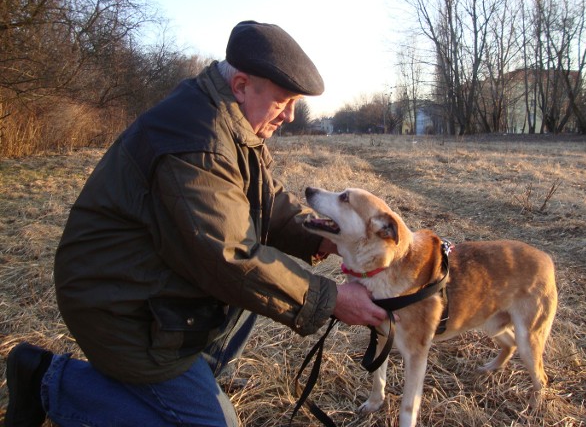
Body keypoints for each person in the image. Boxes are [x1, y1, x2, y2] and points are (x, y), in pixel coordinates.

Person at [4, 21, 388, 427]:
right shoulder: (198, 140)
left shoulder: (231, 120)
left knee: (258, 280)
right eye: (283, 101)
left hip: (159, 281)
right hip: (118, 303)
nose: (290, 116)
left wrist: (324, 236)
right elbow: (228, 256)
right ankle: (47, 381)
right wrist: (332, 300)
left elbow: (268, 202)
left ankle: (198, 374)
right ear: (241, 85)